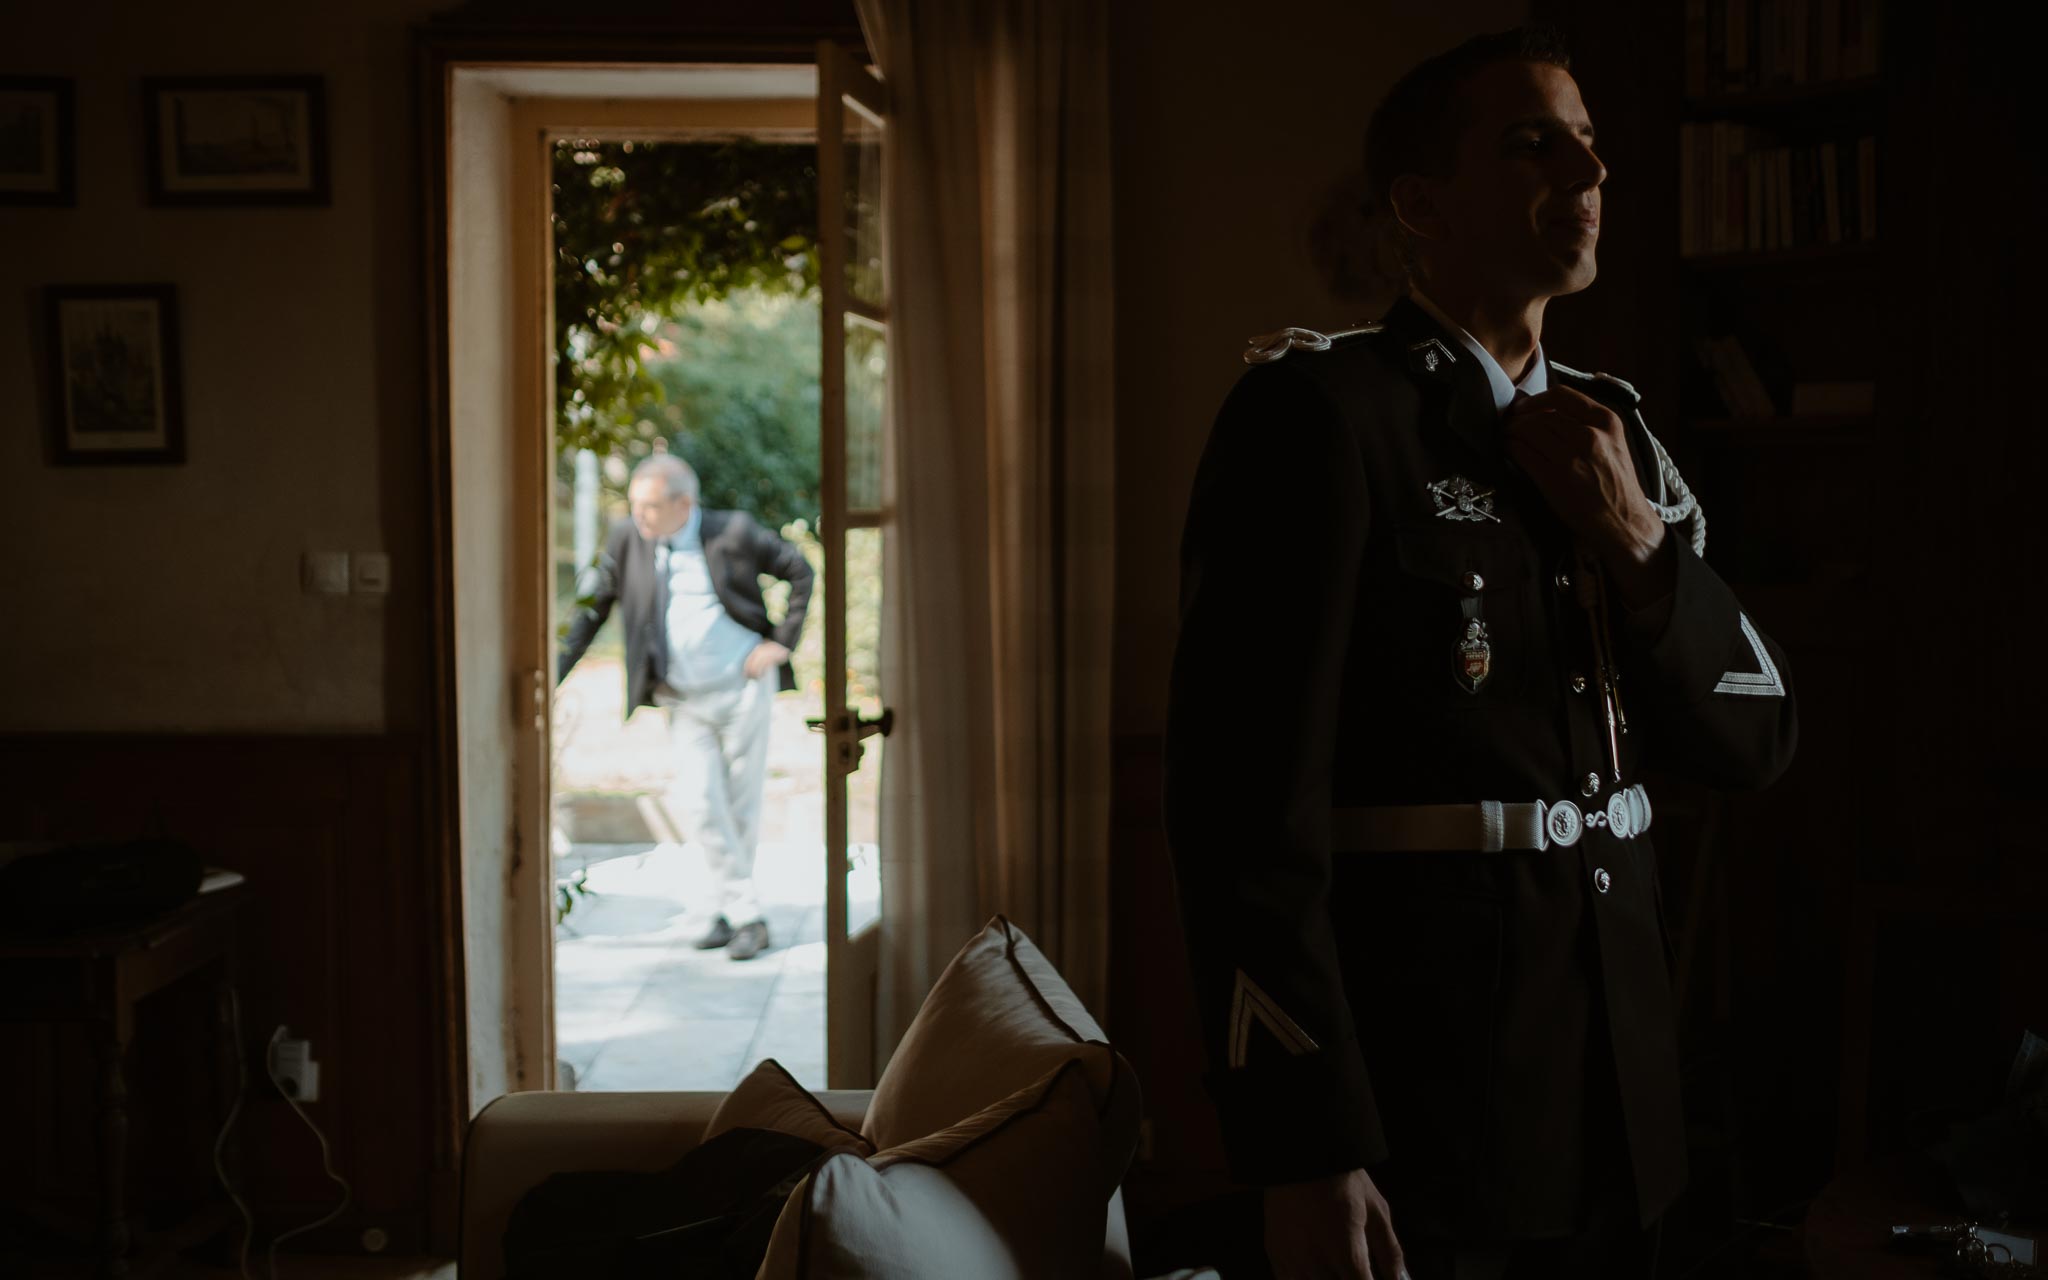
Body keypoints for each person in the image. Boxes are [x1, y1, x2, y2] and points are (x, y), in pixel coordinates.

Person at [1161, 24, 1798, 1280]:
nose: (1585, 170)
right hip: (1428, 1105)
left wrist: (1637, 545)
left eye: (1590, 145)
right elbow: (1240, 814)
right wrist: (1303, 1143)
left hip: (1623, 1093)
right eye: (1530, 143)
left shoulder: (1619, 440)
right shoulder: (1319, 417)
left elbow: (1755, 741)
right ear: (1419, 203)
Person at [560, 453, 815, 962]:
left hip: (741, 690)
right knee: (701, 803)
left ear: (685, 503)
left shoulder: (734, 532)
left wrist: (781, 643)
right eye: (634, 505)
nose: (640, 517)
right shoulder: (628, 539)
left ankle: (728, 911)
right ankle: (748, 915)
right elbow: (593, 610)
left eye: (651, 507)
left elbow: (800, 571)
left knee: (740, 806)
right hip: (682, 697)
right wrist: (552, 671)